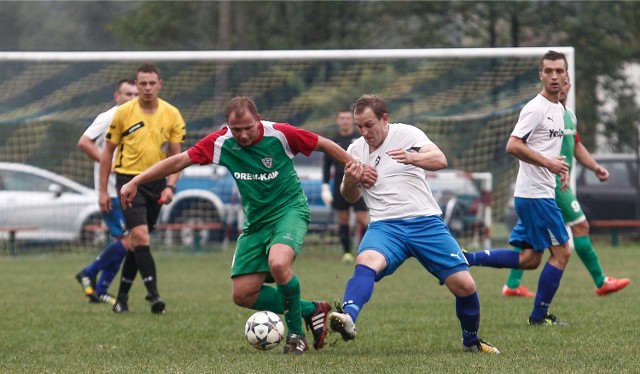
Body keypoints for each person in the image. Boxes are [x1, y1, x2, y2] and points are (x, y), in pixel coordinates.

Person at [118, 96, 355, 354]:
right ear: (228, 126)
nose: (242, 135)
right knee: (243, 294)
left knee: (278, 263)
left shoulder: (281, 134)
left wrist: (353, 166)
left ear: (259, 120)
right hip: (255, 223)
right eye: (236, 129)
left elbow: (324, 144)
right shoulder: (221, 143)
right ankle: (313, 309)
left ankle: (296, 336)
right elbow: (178, 161)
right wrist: (135, 181)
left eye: (248, 128)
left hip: (290, 211)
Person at [328, 94, 500, 354]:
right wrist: (352, 180)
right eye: (359, 126)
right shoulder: (355, 150)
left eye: (369, 125)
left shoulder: (406, 134)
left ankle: (471, 341)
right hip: (385, 226)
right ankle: (349, 317)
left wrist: (411, 157)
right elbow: (349, 196)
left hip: (425, 222)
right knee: (365, 263)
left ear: (384, 119)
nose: (364, 132)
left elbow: (440, 159)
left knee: (465, 285)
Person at [463, 50, 572, 326]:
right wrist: (548, 163)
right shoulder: (535, 108)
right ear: (541, 75)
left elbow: (543, 149)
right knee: (562, 253)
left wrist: (560, 168)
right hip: (535, 196)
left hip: (536, 193)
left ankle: (467, 258)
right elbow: (513, 145)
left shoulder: (558, 109)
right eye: (549, 71)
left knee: (530, 259)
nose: (555, 76)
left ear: (566, 74)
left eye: (559, 70)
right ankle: (539, 317)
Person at [502, 77, 630, 298]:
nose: (559, 83)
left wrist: (595, 167)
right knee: (579, 228)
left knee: (530, 242)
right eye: (551, 73)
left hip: (550, 186)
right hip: (552, 185)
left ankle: (512, 285)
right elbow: (524, 146)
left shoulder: (569, 116)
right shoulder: (545, 113)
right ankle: (601, 281)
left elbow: (577, 146)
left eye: (564, 79)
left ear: (568, 85)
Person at [100, 63, 186, 314]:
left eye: (151, 83)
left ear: (159, 84)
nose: (147, 87)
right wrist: (103, 191)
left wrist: (171, 186)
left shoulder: (172, 115)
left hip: (157, 183)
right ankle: (154, 295)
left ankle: (121, 299)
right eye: (142, 83)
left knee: (138, 243)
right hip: (127, 181)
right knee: (141, 237)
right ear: (136, 86)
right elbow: (107, 154)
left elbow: (176, 158)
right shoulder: (123, 113)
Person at [75, 79, 138, 304]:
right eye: (128, 94)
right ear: (116, 96)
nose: (132, 98)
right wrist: (109, 166)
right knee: (130, 241)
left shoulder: (137, 118)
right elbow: (84, 142)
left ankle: (100, 288)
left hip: (127, 190)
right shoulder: (109, 117)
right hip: (111, 192)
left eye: (135, 94)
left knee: (124, 243)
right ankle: (89, 273)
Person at [321, 109, 369, 264]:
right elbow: (327, 166)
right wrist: (325, 187)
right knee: (343, 220)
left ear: (352, 120)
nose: (345, 121)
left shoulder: (361, 139)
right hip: (340, 185)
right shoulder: (332, 142)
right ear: (338, 120)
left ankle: (368, 250)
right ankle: (347, 253)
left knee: (364, 220)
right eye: (342, 118)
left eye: (348, 118)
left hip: (359, 183)